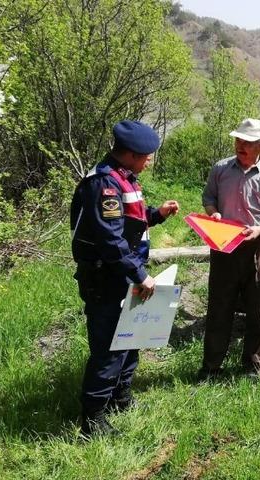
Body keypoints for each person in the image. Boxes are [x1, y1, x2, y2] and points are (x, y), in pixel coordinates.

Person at [70, 120, 180, 437]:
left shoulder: (123, 178)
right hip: (106, 280)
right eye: (147, 156)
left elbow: (128, 223)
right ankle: (92, 422)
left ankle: (121, 400)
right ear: (130, 154)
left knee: (131, 341)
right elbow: (111, 242)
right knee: (108, 351)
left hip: (123, 277)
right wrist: (141, 276)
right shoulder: (103, 184)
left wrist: (157, 214)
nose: (149, 161)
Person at [198, 118, 260, 380]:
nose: (241, 146)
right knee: (219, 305)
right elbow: (209, 198)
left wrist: (259, 230)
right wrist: (213, 214)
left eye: (247, 142)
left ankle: (253, 365)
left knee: (258, 307)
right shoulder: (220, 169)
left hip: (259, 246)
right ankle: (212, 366)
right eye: (238, 140)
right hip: (224, 244)